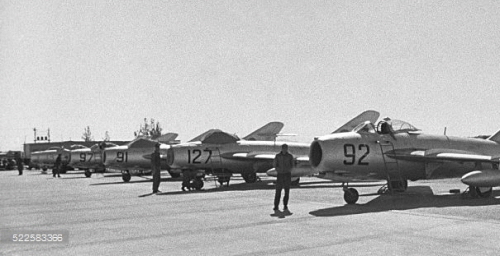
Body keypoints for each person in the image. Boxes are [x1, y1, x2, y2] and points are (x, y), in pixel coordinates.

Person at [273, 144, 294, 211]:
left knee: (286, 192)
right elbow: (275, 164)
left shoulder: (290, 156)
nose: (284, 150)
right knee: (278, 191)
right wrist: (278, 169)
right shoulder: (278, 156)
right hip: (280, 175)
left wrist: (289, 170)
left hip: (287, 175)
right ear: (282, 149)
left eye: (285, 148)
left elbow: (292, 165)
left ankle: (285, 205)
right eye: (283, 148)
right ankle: (276, 206)